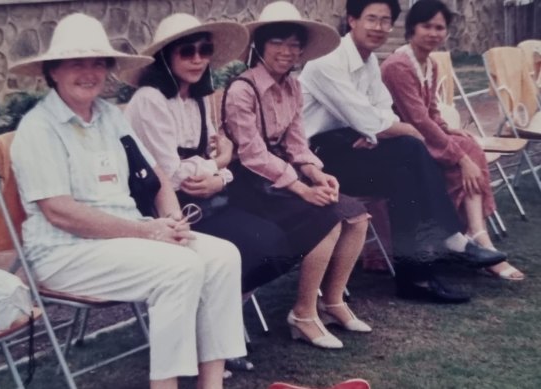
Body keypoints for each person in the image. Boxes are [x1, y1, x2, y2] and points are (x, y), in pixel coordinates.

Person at [9, 13, 245, 389]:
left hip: (126, 239)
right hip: (65, 253)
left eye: (98, 63)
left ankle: (210, 384)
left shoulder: (108, 116)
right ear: (52, 71)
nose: (90, 73)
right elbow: (60, 213)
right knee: (180, 268)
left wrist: (173, 222)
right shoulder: (39, 129)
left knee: (223, 256)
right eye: (77, 63)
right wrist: (147, 231)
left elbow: (157, 178)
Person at [299, 0, 507, 304]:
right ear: (352, 20)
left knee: (405, 176)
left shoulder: (368, 62)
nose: (379, 27)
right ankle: (449, 243)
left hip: (350, 145)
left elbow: (383, 113)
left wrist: (377, 130)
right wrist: (395, 129)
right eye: (372, 19)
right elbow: (371, 120)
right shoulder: (327, 62)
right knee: (409, 146)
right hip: (315, 160)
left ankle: (416, 278)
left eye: (385, 21)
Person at [224, 1, 372, 350]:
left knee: (356, 214)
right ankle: (303, 314)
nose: (287, 52)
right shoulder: (242, 89)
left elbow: (297, 143)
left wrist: (317, 174)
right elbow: (251, 154)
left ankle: (332, 302)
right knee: (326, 218)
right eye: (278, 42)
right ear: (260, 45)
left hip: (282, 176)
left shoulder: (293, 87)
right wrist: (302, 190)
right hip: (249, 184)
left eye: (294, 45)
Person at [122, 13, 295, 297]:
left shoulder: (199, 97)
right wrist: (222, 163)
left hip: (206, 196)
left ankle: (222, 307)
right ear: (166, 56)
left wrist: (221, 176)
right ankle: (215, 309)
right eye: (188, 51)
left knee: (275, 238)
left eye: (205, 51)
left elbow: (212, 150)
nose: (198, 59)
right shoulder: (150, 99)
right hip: (165, 206)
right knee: (261, 243)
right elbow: (174, 174)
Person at [380, 0, 524, 281]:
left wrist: (450, 129)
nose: (433, 33)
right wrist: (459, 157)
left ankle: (475, 234)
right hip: (403, 142)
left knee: (468, 142)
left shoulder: (430, 64)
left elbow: (432, 112)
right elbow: (417, 119)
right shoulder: (398, 65)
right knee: (465, 154)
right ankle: (478, 240)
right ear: (412, 28)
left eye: (440, 27)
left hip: (422, 136)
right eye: (427, 26)